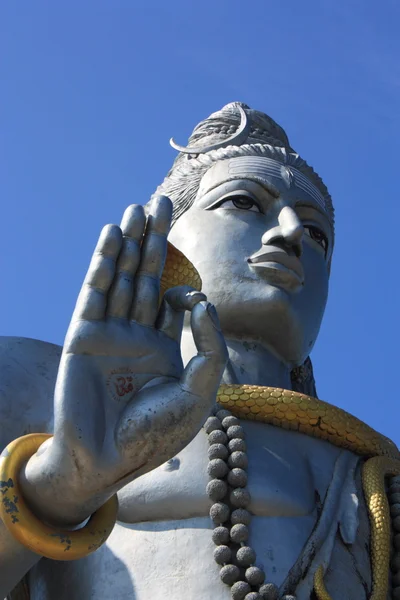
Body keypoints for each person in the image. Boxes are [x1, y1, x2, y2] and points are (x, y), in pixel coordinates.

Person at [0, 102, 397, 600]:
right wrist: (55, 490)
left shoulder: (376, 477)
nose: (293, 233)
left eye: (318, 235)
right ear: (161, 233)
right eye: (244, 203)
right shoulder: (32, 384)